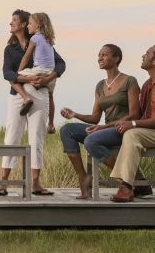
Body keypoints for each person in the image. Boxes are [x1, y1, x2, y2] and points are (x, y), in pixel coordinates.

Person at [0, 9, 66, 196]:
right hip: (17, 95)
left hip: (40, 94)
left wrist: (48, 78)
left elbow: (60, 64)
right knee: (12, 137)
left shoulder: (40, 40)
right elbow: (7, 73)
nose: (10, 23)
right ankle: (3, 183)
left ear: (25, 24)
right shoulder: (10, 49)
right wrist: (26, 80)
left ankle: (35, 183)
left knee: (37, 138)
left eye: (14, 20)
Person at [60, 44, 141, 199]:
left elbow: (134, 114)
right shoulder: (100, 85)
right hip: (105, 129)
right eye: (99, 55)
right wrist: (74, 114)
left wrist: (105, 127)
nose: (100, 58)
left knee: (91, 141)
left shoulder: (129, 81)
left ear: (116, 58)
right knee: (67, 130)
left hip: (123, 130)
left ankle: (127, 181)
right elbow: (95, 118)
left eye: (104, 54)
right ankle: (83, 177)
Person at [109, 45, 155, 202]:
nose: (143, 55)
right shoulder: (148, 84)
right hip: (149, 131)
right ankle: (134, 185)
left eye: (147, 53)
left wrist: (133, 124)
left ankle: (126, 187)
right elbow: (141, 115)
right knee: (128, 133)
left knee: (132, 133)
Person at [13, 13, 56, 133]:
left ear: (39, 25)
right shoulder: (49, 39)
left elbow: (26, 57)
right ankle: (51, 124)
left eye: (31, 23)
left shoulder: (35, 38)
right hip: (51, 73)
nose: (28, 26)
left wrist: (18, 73)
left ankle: (26, 99)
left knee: (13, 79)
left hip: (39, 70)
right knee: (50, 97)